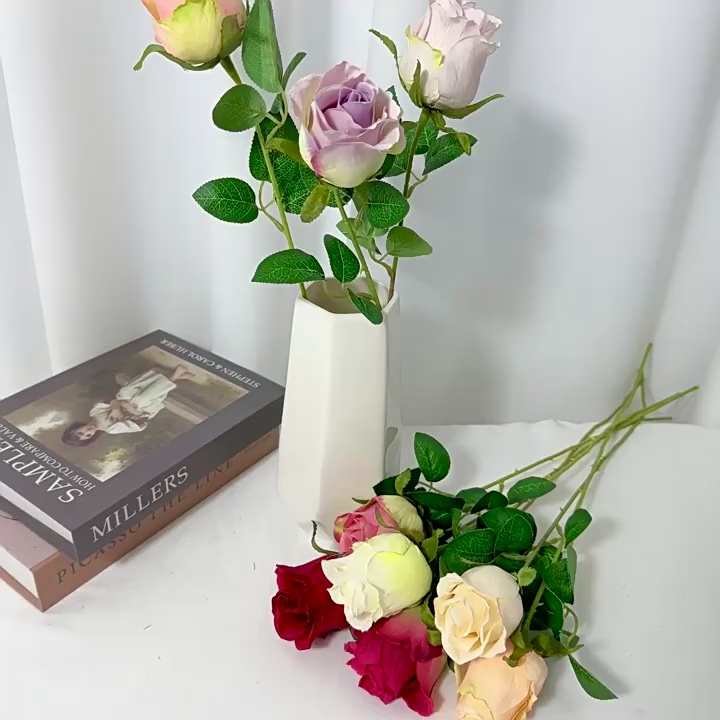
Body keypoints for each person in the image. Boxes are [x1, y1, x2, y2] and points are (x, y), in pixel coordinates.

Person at [62, 365, 195, 447]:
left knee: (125, 392)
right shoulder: (111, 429)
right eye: (87, 436)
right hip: (142, 410)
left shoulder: (95, 413)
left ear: (76, 428)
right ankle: (174, 376)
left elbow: (110, 399)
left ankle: (175, 377)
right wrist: (133, 410)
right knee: (141, 399)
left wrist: (116, 408)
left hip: (126, 398)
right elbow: (140, 423)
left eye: (81, 432)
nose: (87, 431)